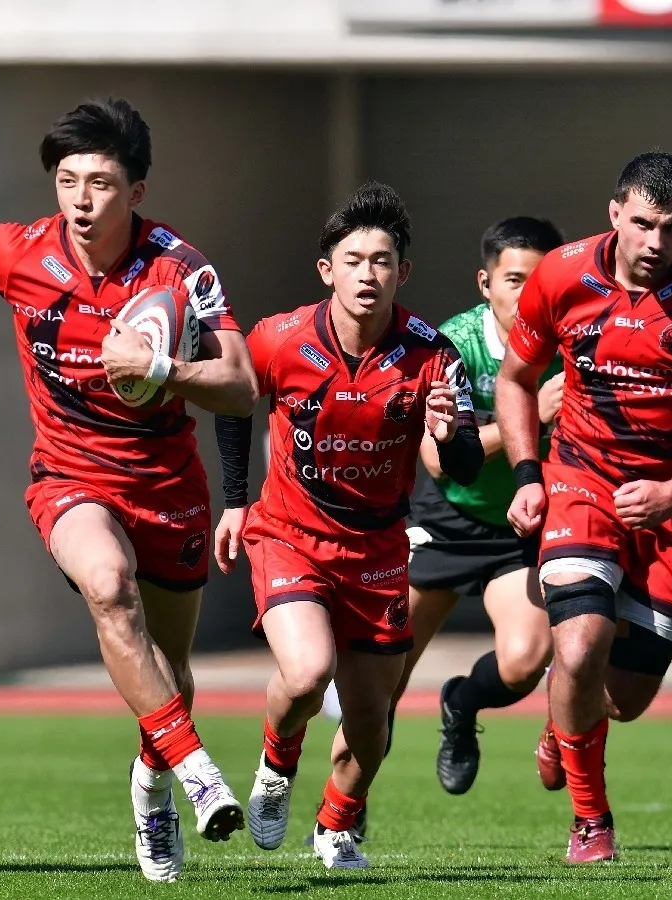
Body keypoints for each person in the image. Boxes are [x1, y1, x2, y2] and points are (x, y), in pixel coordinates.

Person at [0, 97, 257, 883]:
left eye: (100, 184)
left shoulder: (180, 268)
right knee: (109, 587)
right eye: (67, 181)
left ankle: (152, 784)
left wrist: (160, 369)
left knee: (172, 674)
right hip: (69, 476)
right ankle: (197, 774)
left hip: (167, 486)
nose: (80, 201)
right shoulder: (20, 251)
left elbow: (240, 383)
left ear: (137, 191)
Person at [497, 151, 672, 863]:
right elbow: (515, 380)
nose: (658, 242)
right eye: (644, 224)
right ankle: (590, 822)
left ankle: (563, 712)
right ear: (615, 214)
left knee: (622, 699)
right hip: (581, 480)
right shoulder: (562, 275)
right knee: (580, 645)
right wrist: (528, 474)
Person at [213, 183, 483, 869]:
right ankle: (277, 765)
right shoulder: (279, 338)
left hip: (378, 549)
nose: (368, 274)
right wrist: (236, 500)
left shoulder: (434, 355)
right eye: (354, 260)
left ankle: (335, 825)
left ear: (403, 272)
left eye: (382, 261)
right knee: (308, 675)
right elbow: (235, 401)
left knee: (370, 719)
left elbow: (465, 467)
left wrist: (451, 436)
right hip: (289, 533)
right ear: (326, 270)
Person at [393, 217, 566, 795]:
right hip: (445, 517)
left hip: (518, 526)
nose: (528, 295)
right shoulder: (452, 346)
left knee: (525, 661)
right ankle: (344, 813)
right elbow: (437, 461)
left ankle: (461, 704)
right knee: (380, 682)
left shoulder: (573, 345)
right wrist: (531, 416)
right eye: (514, 280)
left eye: (540, 282)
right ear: (485, 284)